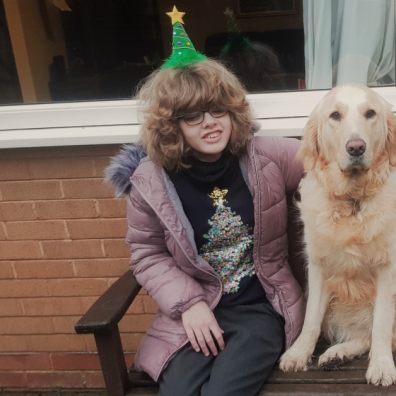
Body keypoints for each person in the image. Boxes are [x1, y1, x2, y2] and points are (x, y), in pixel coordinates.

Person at [106, 6, 304, 396]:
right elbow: (146, 253)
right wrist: (189, 305)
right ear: (172, 126)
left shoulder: (269, 155)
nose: (210, 122)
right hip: (194, 310)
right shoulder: (151, 180)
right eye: (192, 116)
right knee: (177, 391)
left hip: (260, 307)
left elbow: (328, 167)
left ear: (233, 112)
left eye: (217, 110)